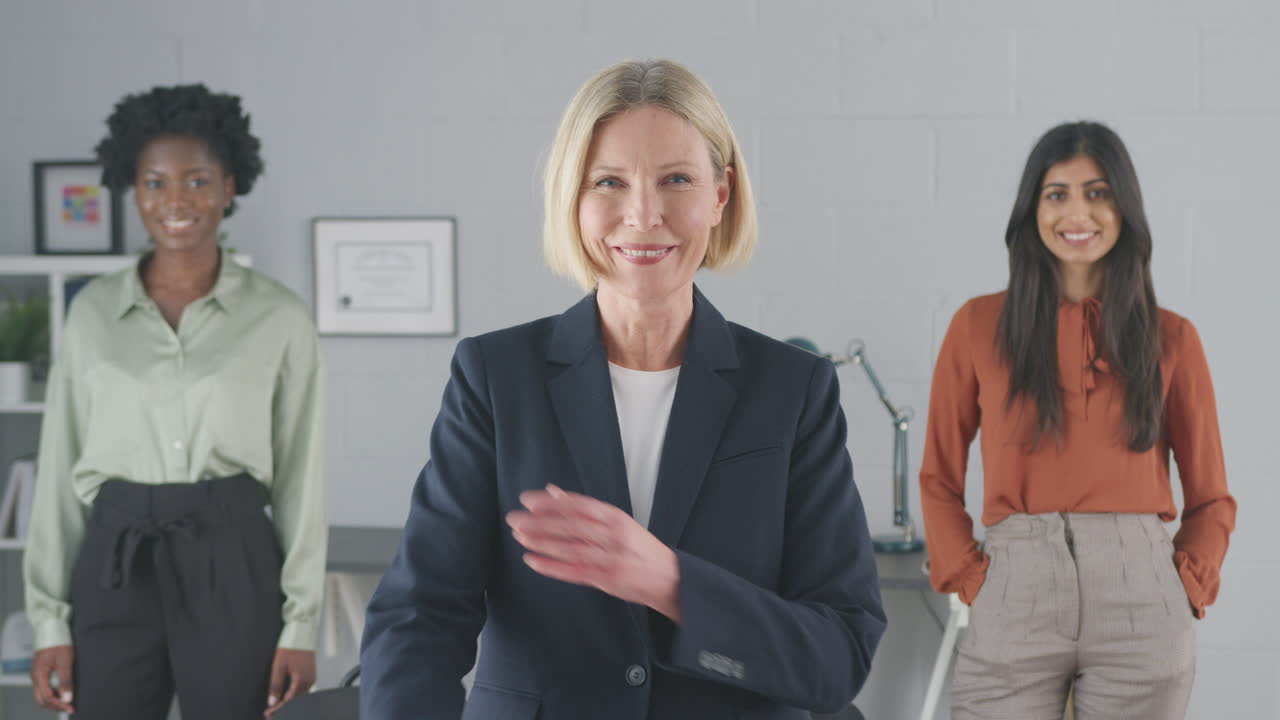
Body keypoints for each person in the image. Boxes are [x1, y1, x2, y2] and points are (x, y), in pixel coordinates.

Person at [360, 59, 886, 719]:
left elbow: (839, 653)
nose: (644, 215)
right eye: (609, 181)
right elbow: (419, 616)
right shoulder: (496, 376)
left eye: (677, 180)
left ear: (720, 196)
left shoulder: (793, 388)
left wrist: (672, 584)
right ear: (572, 200)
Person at [23, 84, 327, 720]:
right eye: (155, 183)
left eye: (196, 180)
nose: (176, 201)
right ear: (133, 191)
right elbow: (58, 472)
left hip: (232, 551)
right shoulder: (92, 314)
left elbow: (303, 477)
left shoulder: (279, 317)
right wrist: (48, 620)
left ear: (228, 187)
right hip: (115, 556)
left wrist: (300, 625)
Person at [919, 121, 1236, 719]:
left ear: (1124, 207)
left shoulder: (1172, 338)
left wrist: (1186, 585)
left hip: (1143, 600)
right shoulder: (977, 327)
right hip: (1015, 588)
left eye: (1097, 192)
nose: (1077, 212)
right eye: (1056, 194)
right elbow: (938, 478)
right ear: (1032, 210)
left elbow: (1212, 498)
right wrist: (970, 577)